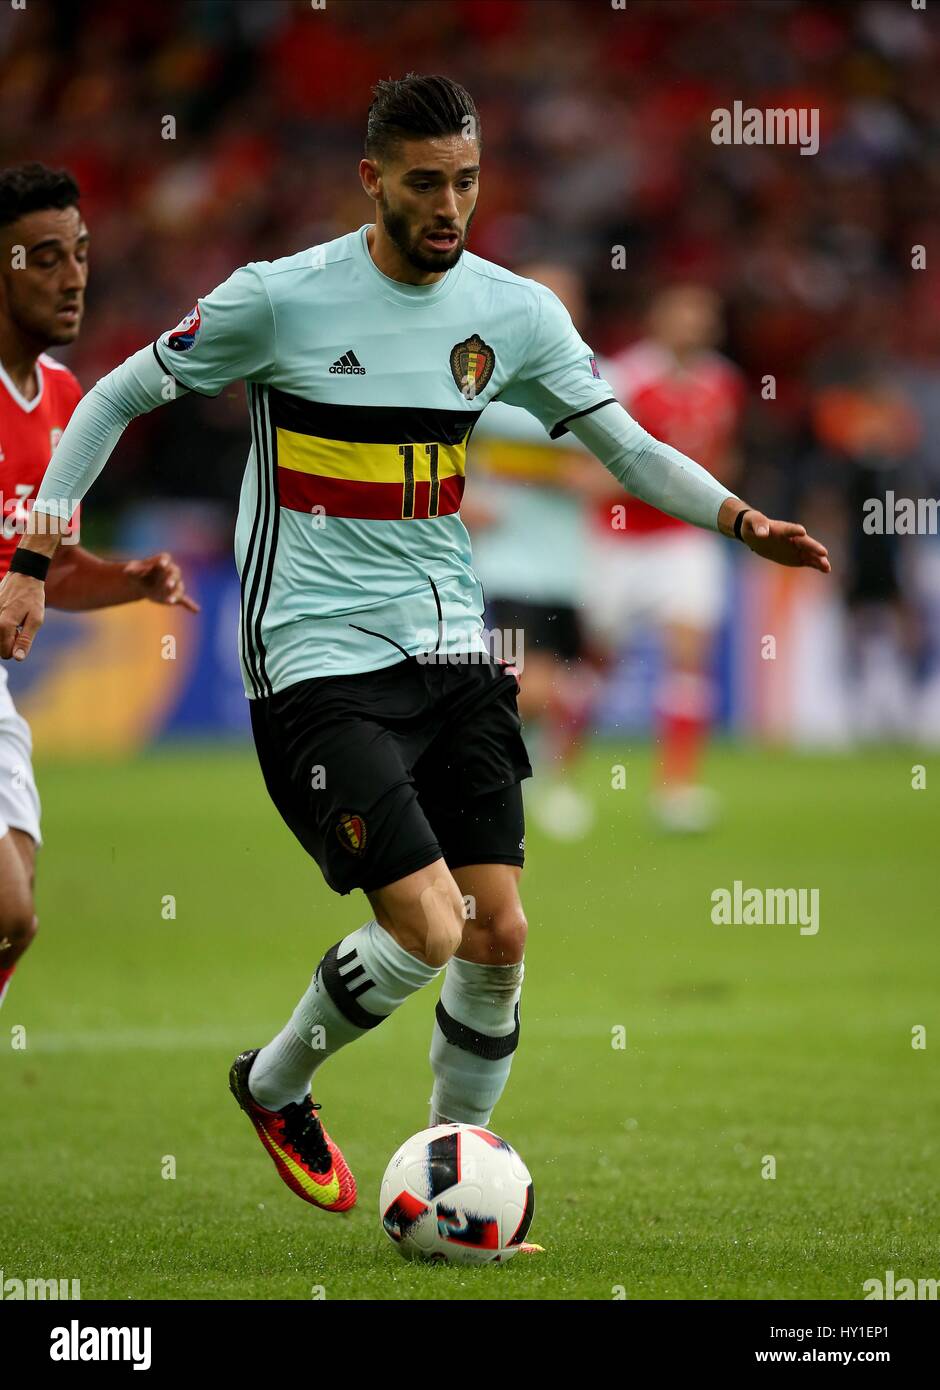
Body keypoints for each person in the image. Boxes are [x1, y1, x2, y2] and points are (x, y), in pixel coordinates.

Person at [0, 79, 828, 1231]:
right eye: (427, 182)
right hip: (311, 658)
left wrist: (744, 522)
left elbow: (627, 448)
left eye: (468, 181)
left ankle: (455, 1167)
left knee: (498, 933)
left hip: (450, 645)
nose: (451, 205)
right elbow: (109, 401)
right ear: (372, 181)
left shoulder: (514, 312)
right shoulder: (278, 300)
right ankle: (276, 1083)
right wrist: (36, 560)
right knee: (428, 926)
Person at [0, 163, 196, 1013]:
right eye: (43, 258)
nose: (73, 275)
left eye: (78, 252)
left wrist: (128, 581)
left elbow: (47, 569)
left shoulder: (65, 401)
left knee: (15, 920)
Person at [586, 286, 745, 831]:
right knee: (593, 662)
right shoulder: (626, 377)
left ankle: (675, 791)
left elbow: (723, 457)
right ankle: (557, 779)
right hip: (619, 539)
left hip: (684, 538)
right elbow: (600, 461)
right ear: (658, 317)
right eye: (682, 312)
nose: (692, 324)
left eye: (702, 315)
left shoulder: (724, 383)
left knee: (688, 652)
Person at [463, 261, 598, 840]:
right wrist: (460, 499)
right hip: (506, 562)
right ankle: (475, 771)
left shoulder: (596, 378)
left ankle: (547, 783)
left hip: (575, 564)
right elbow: (440, 453)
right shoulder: (478, 377)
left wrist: (574, 478)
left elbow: (617, 473)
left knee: (576, 685)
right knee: (530, 683)